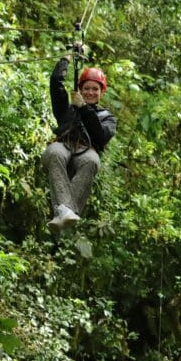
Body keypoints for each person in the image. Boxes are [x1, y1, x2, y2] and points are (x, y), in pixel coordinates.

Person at [41, 55, 117, 233]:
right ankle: (67, 211)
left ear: (101, 92)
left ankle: (62, 211)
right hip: (64, 144)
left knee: (92, 161)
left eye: (95, 89)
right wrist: (64, 61)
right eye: (86, 88)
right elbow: (55, 85)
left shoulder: (108, 118)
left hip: (86, 151)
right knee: (55, 153)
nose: (90, 92)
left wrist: (84, 109)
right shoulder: (67, 110)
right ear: (80, 90)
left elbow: (100, 137)